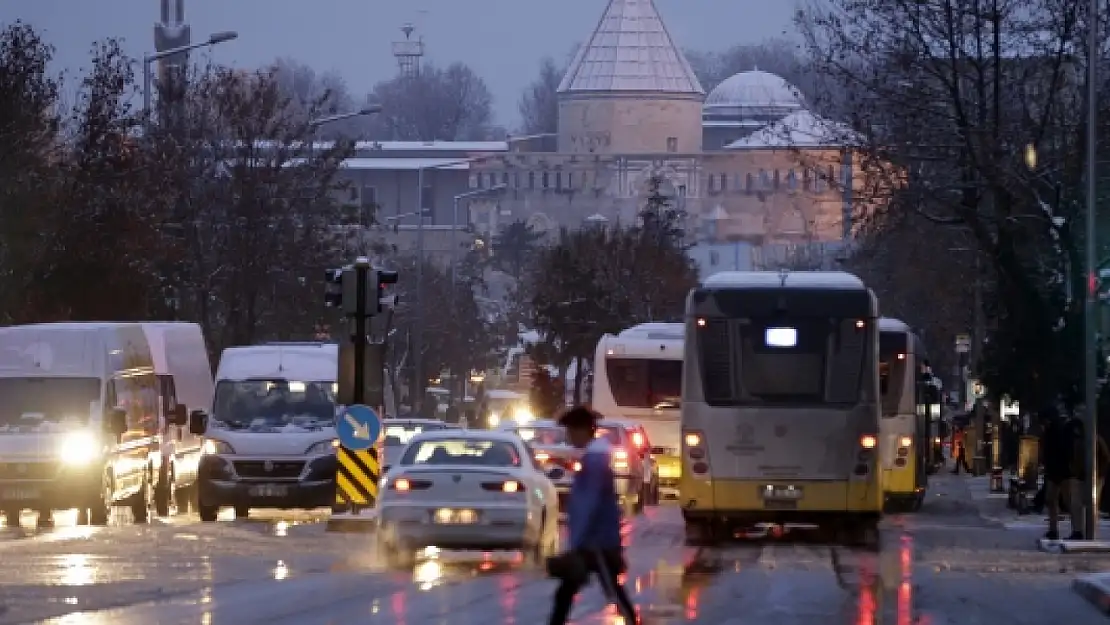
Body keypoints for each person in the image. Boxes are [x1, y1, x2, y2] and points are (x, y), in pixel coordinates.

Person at [547, 406, 638, 625]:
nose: (568, 437)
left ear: (582, 431)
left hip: (597, 542)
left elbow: (589, 501)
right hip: (593, 541)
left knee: (612, 591)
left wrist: (577, 539)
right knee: (569, 592)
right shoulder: (595, 456)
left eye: (570, 431)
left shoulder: (595, 459)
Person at [1040, 407, 1084, 540]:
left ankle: (1077, 530)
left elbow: (1065, 451)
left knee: (1067, 501)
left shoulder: (1060, 431)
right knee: (1051, 500)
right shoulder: (1050, 431)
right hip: (1054, 471)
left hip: (1063, 471)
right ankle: (1053, 530)